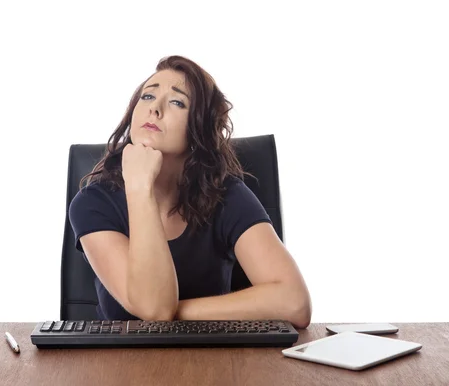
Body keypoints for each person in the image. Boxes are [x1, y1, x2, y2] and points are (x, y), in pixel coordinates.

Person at [69, 55, 312, 328]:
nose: (155, 109)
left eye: (177, 102)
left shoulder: (227, 195)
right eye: (147, 97)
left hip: (214, 359)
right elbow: (154, 306)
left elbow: (295, 303)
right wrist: (139, 187)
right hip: (120, 362)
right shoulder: (93, 202)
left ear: (199, 129)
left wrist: (178, 311)